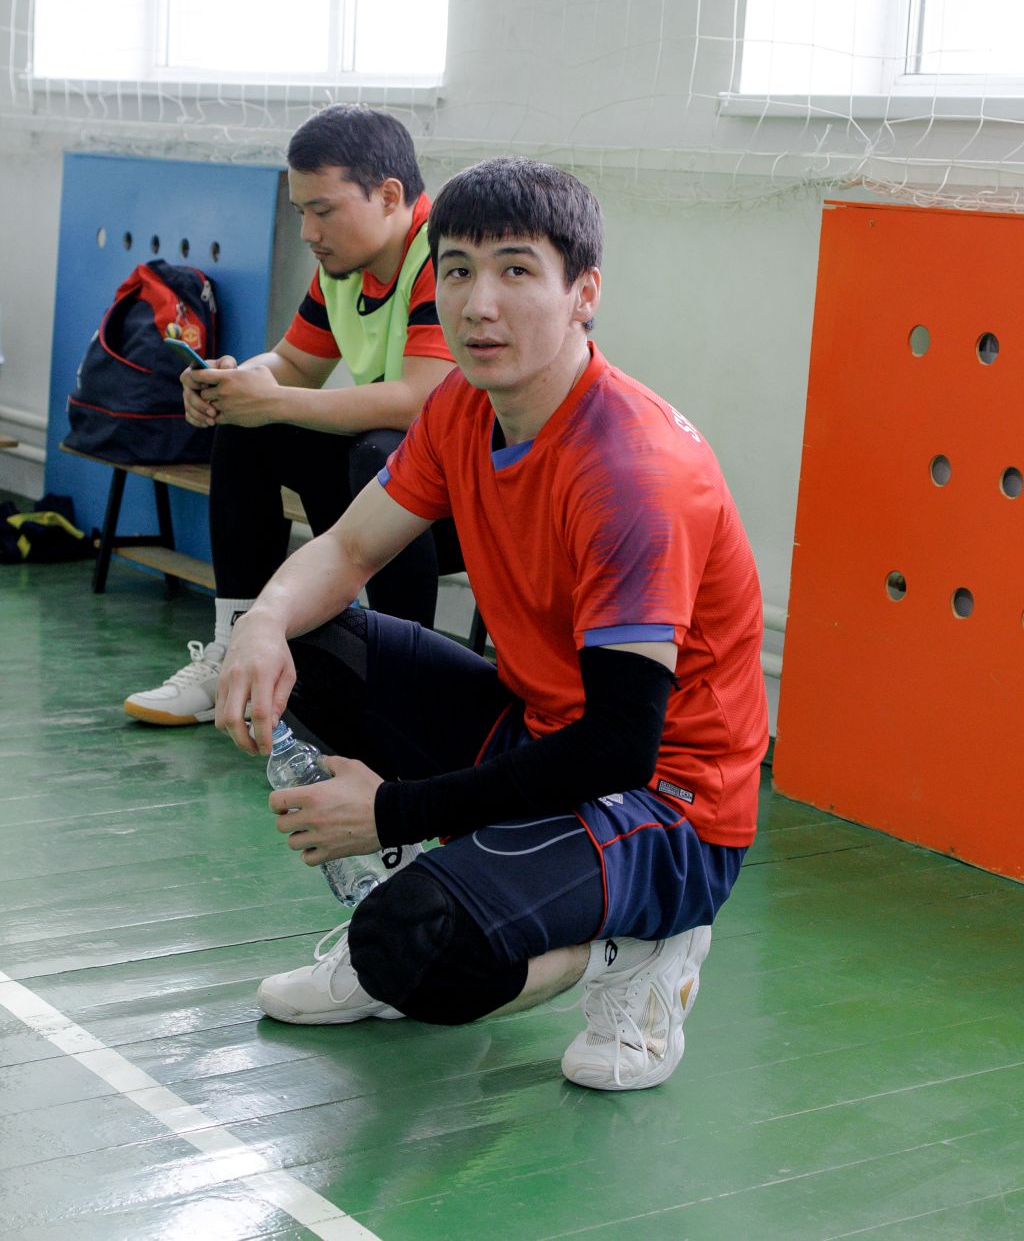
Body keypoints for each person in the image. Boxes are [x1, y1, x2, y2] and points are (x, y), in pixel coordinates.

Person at [216, 157, 769, 1092]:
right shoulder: (463, 408)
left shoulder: (633, 475)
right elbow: (347, 551)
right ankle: (446, 892)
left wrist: (391, 812)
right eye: (459, 270)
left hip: (667, 803)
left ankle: (641, 949)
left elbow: (618, 748)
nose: (479, 305)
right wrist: (260, 622)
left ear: (584, 293)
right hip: (539, 726)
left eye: (517, 271)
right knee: (307, 641)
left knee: (412, 946)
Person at [123, 105, 456, 726]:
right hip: (388, 490)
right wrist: (235, 383)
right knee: (251, 427)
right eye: (302, 211)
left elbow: (421, 401)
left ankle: (404, 688)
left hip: (470, 502)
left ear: (389, 196)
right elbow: (295, 363)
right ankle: (236, 645)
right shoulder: (344, 265)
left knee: (380, 451)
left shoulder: (446, 255)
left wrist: (273, 398)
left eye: (322, 210)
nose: (307, 231)